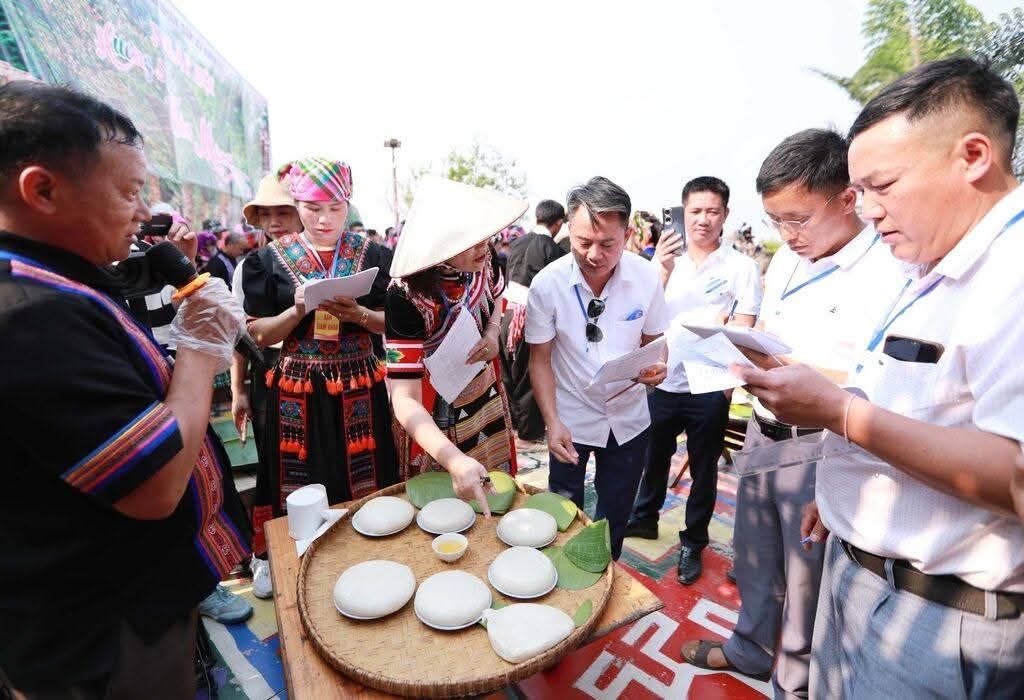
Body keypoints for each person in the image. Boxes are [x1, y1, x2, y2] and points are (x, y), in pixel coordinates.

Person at [735, 59, 1024, 699]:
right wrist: (852, 492)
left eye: (880, 185)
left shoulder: (1012, 277)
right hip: (866, 569)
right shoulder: (930, 263)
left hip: (942, 613)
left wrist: (841, 415)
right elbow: (925, 408)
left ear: (973, 155)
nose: (864, 209)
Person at [0, 81, 251, 696]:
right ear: (43, 190)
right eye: (130, 191)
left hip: (126, 604)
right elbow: (155, 486)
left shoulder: (57, 282)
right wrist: (199, 348)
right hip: (103, 629)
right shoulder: (28, 310)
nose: (144, 213)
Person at [679, 129, 904, 697]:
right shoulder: (784, 263)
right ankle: (748, 649)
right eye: (776, 221)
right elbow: (770, 336)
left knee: (807, 578)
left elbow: (880, 384)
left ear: (847, 199)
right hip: (765, 429)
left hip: (826, 441)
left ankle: (795, 679)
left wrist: (803, 381)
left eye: (798, 219)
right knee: (754, 553)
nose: (787, 235)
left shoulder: (887, 271)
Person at [242, 158, 398, 548]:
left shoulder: (375, 256)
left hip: (360, 383)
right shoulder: (265, 261)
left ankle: (370, 549)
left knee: (367, 478)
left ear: (348, 204)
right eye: (313, 209)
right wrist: (296, 311)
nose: (325, 219)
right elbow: (258, 334)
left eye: (335, 208)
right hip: (298, 389)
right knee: (301, 476)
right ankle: (297, 556)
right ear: (298, 206)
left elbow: (393, 324)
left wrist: (360, 315)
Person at [625, 176, 762, 586]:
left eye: (712, 211)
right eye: (695, 211)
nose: (703, 220)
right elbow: (638, 317)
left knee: (705, 469)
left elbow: (744, 328)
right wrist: (660, 271)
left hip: (709, 386)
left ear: (726, 215)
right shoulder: (660, 263)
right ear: (682, 213)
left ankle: (693, 541)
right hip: (662, 380)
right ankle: (644, 518)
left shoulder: (742, 267)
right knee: (654, 455)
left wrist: (725, 387)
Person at [527, 176, 670, 559]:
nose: (594, 254)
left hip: (628, 418)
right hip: (570, 417)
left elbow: (656, 346)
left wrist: (659, 368)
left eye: (608, 244)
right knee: (564, 508)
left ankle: (604, 576)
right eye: (583, 243)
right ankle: (558, 581)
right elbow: (539, 359)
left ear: (627, 234)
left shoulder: (646, 278)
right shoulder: (547, 284)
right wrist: (551, 421)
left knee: (615, 514)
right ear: (569, 231)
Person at [385, 177, 524, 509]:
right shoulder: (405, 296)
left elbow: (498, 299)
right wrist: (452, 459)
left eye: (485, 238)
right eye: (471, 241)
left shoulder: (485, 264)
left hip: (485, 395)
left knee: (494, 497)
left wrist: (492, 334)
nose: (484, 248)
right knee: (444, 510)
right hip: (433, 414)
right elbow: (404, 398)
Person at [230, 173, 304, 597]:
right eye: (267, 214)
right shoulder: (251, 267)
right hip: (272, 379)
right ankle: (266, 556)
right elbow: (244, 335)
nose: (274, 222)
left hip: (321, 384)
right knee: (273, 466)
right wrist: (239, 389)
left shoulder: (326, 259)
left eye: (283, 212)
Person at [499, 199, 568, 444]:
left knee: (509, 372)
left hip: (506, 316)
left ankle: (516, 426)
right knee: (528, 374)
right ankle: (529, 432)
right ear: (559, 223)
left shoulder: (516, 243)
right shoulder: (553, 249)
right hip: (529, 317)